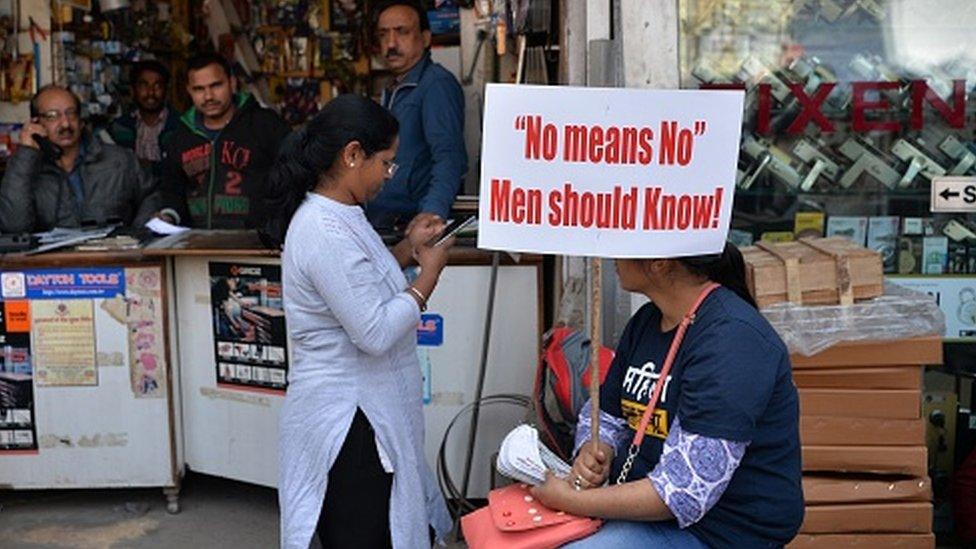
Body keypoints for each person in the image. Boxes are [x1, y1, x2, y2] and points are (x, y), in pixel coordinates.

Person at [269, 94, 454, 549]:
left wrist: (408, 249)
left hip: (368, 413)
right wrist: (427, 277)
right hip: (349, 424)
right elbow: (373, 330)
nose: (389, 176)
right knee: (367, 534)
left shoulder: (343, 215)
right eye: (386, 163)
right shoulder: (320, 229)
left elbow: (360, 280)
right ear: (353, 155)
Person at [530, 243, 804, 547]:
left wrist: (573, 501)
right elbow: (606, 413)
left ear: (660, 263)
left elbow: (684, 493)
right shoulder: (648, 320)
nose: (612, 258)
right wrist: (595, 451)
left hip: (720, 532)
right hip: (646, 515)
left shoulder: (733, 340)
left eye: (623, 245)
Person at [0, 85, 160, 234]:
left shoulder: (119, 160)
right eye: (52, 116)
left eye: (71, 113)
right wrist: (26, 155)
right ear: (36, 123)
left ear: (81, 121)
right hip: (52, 263)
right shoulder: (26, 169)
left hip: (113, 258)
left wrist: (139, 235)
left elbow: (152, 196)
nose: (65, 123)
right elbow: (14, 226)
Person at [159, 52, 291, 230]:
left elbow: (293, 176)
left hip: (255, 244)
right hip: (197, 245)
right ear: (189, 90)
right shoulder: (181, 136)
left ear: (232, 83)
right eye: (199, 89)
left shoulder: (265, 125)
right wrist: (168, 215)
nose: (208, 96)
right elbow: (172, 189)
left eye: (216, 85)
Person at [367, 0, 467, 230]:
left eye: (402, 32)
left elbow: (449, 157)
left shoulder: (435, 84)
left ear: (425, 38)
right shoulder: (395, 88)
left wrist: (431, 214)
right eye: (383, 35)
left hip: (411, 225)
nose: (391, 43)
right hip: (388, 223)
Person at [109, 59, 182, 176]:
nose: (151, 93)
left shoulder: (181, 125)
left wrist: (148, 166)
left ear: (166, 91)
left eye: (157, 86)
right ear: (133, 90)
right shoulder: (119, 127)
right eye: (144, 86)